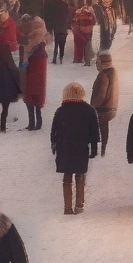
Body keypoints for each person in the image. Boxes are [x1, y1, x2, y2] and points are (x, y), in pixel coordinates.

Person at [51, 82, 100, 214]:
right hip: (81, 146)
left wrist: (54, 144)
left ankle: (67, 207)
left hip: (64, 147)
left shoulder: (61, 110)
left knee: (67, 176)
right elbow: (94, 132)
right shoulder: (89, 110)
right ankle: (79, 205)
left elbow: (54, 131)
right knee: (80, 175)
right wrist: (94, 148)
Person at [21, 19, 48, 131]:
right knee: (38, 96)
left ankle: (32, 123)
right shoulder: (43, 41)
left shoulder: (31, 42)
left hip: (31, 74)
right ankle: (38, 122)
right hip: (41, 76)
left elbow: (24, 63)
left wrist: (23, 65)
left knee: (30, 96)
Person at [89, 51, 118, 156]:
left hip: (102, 108)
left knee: (95, 128)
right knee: (104, 129)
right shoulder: (112, 72)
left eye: (97, 62)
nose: (96, 64)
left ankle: (98, 151)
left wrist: (92, 107)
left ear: (102, 62)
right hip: (110, 107)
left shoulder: (103, 75)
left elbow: (101, 94)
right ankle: (103, 149)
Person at [72, 1, 96, 66]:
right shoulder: (90, 12)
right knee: (87, 45)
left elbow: (76, 21)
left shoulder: (79, 13)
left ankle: (80, 59)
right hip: (89, 30)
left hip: (81, 30)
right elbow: (93, 21)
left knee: (80, 45)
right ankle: (87, 60)